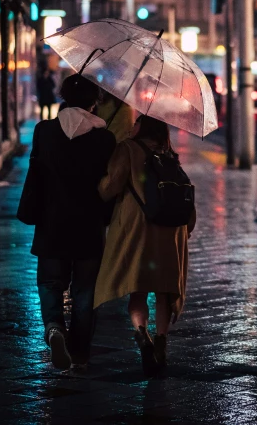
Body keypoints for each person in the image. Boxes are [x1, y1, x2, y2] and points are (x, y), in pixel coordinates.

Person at [95, 115, 195, 376]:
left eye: (137, 122)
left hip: (136, 229)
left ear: (143, 127)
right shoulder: (169, 153)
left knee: (136, 290)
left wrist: (98, 185)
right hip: (171, 231)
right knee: (163, 290)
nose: (132, 125)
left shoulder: (127, 149)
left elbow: (110, 187)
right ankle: (161, 339)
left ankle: (142, 337)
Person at [28, 74, 116, 370]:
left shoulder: (44, 131)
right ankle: (79, 351)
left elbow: (36, 174)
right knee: (85, 290)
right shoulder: (106, 138)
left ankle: (54, 328)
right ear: (95, 102)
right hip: (89, 226)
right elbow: (108, 184)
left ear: (63, 97)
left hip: (51, 223)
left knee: (50, 282)